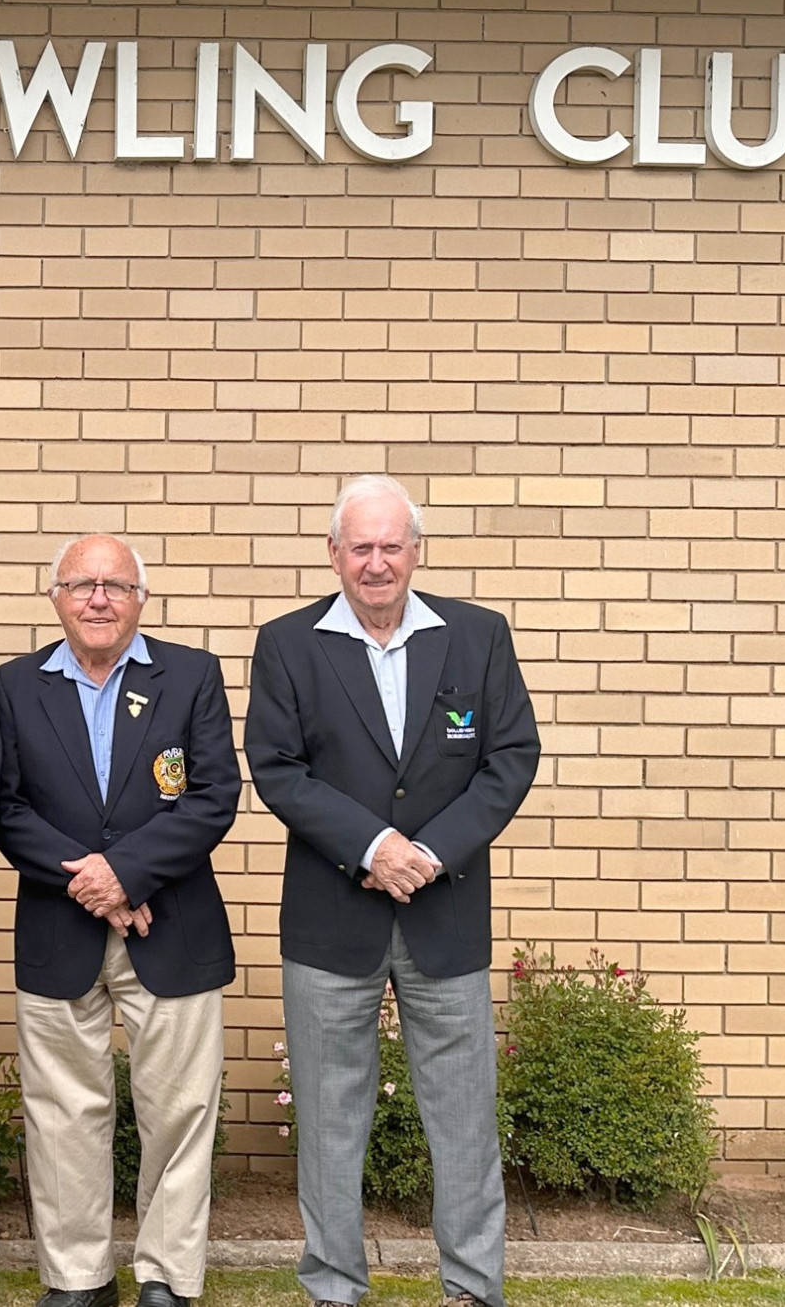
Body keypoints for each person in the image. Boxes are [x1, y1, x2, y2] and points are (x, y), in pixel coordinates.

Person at [246, 475, 540, 1307]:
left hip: (444, 912)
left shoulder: (478, 636)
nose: (377, 563)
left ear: (417, 551)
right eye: (360, 546)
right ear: (333, 553)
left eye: (391, 545)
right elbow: (276, 766)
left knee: (464, 1118)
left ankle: (474, 1288)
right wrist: (372, 846)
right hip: (331, 914)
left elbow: (510, 757)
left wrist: (432, 851)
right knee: (331, 1123)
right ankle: (335, 1285)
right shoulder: (288, 642)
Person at [0, 534, 240, 1307]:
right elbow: (1, 804)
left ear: (141, 599)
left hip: (172, 924)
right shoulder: (15, 684)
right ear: (56, 596)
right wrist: (93, 881)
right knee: (63, 1110)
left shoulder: (191, 674)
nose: (98, 598)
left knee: (179, 1107)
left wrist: (126, 872)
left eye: (116, 585)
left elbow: (212, 795)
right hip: (59, 927)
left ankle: (167, 1274)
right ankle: (77, 1277)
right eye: (82, 584)